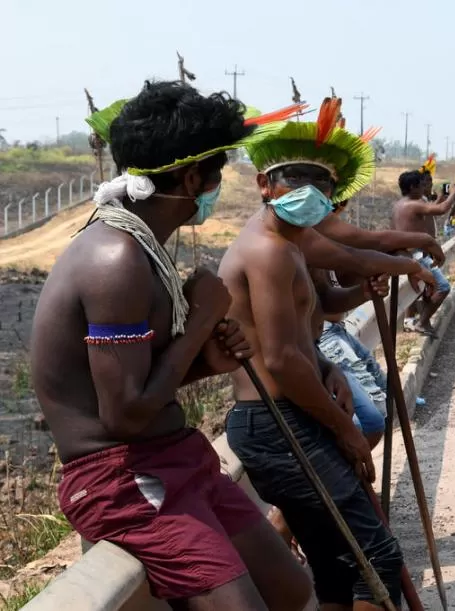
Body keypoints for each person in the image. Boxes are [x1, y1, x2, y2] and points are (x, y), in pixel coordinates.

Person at [31, 81, 312, 610]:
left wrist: (205, 357)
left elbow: (141, 381)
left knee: (292, 589)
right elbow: (125, 416)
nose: (215, 190)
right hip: (121, 477)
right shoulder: (114, 260)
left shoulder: (141, 248)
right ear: (190, 177)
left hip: (176, 455)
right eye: (216, 177)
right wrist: (204, 318)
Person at [220, 100, 405, 610]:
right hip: (278, 424)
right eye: (294, 180)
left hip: (293, 412)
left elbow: (317, 310)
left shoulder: (294, 241)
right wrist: (346, 430)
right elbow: (278, 360)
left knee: (333, 561)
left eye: (322, 184)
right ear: (264, 184)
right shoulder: (268, 251)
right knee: (377, 558)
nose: (310, 193)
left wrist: (329, 366)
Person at [392, 158, 455, 337]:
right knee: (442, 287)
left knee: (429, 287)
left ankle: (424, 321)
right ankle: (421, 322)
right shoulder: (414, 204)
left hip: (409, 253)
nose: (424, 188)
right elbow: (443, 209)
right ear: (413, 187)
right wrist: (453, 193)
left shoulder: (399, 204)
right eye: (421, 185)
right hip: (417, 255)